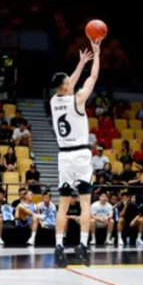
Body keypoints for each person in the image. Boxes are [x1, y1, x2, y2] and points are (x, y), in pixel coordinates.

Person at [48, 39, 101, 268]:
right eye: (69, 82)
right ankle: (83, 245)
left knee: (63, 205)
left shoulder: (54, 101)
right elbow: (93, 78)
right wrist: (96, 55)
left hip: (63, 156)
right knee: (85, 203)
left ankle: (59, 247)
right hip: (80, 155)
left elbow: (69, 83)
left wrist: (80, 64)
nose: (72, 82)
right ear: (66, 87)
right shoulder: (78, 100)